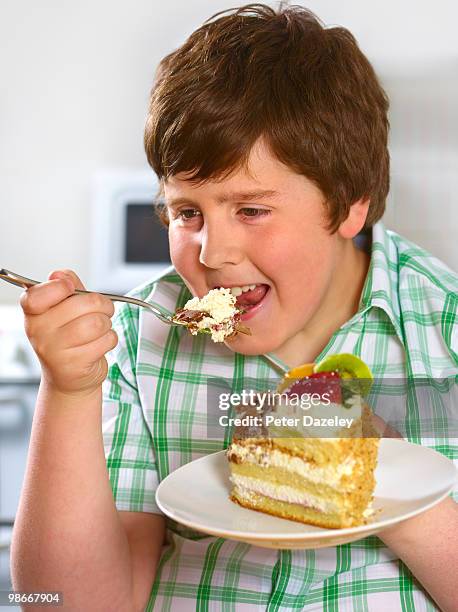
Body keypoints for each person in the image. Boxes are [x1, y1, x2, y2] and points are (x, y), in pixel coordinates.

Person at [11, 4, 457, 611]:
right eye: (187, 212)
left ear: (351, 204)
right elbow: (61, 604)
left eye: (251, 210)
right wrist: (67, 393)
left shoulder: (445, 328)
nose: (213, 252)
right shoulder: (141, 338)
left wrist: (372, 473)